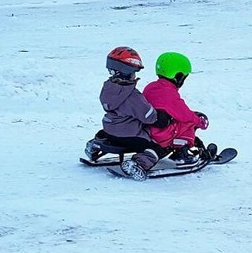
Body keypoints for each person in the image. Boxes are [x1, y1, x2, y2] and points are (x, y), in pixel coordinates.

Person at [90, 46, 168, 181]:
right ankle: (138, 163)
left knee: (109, 132)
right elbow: (148, 117)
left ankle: (95, 145)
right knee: (158, 148)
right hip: (130, 135)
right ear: (128, 71)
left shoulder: (108, 88)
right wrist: (161, 117)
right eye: (134, 72)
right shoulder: (132, 96)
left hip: (110, 129)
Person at [143, 51, 210, 163]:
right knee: (188, 124)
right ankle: (181, 152)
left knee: (177, 122)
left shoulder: (150, 87)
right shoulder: (169, 93)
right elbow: (184, 114)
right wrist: (199, 121)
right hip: (160, 135)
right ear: (178, 76)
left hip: (147, 129)